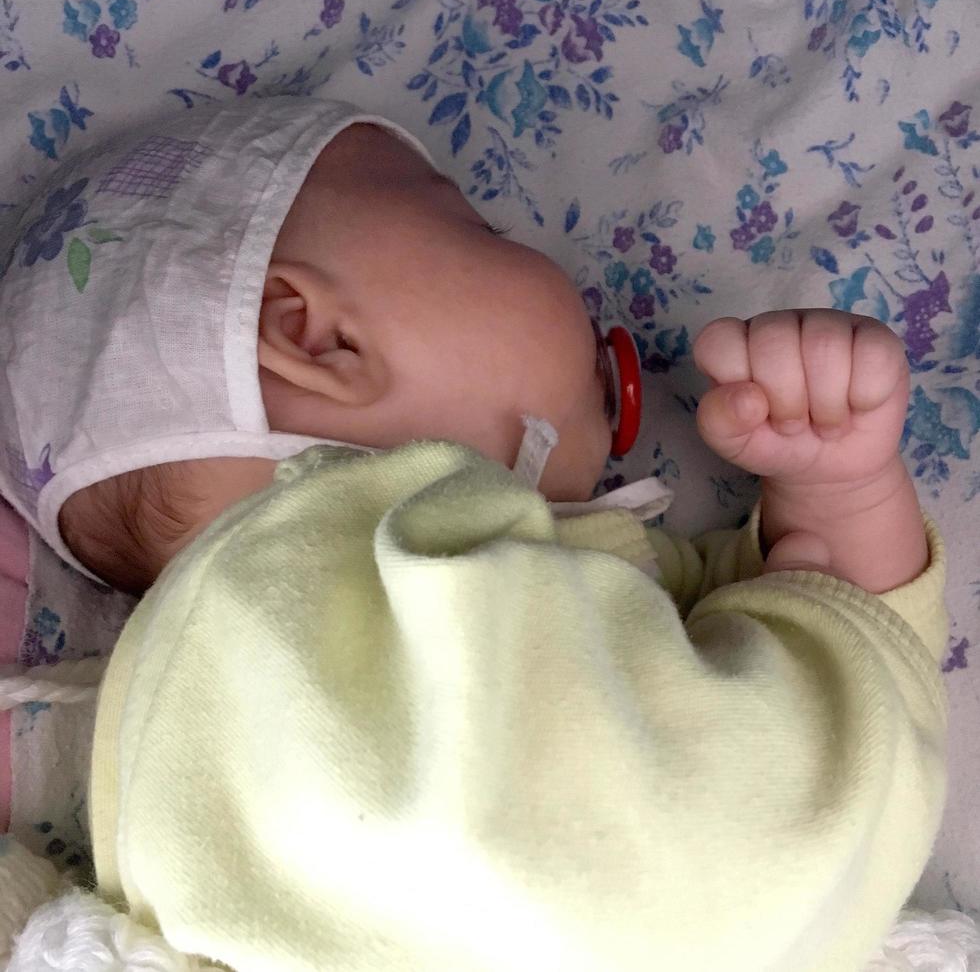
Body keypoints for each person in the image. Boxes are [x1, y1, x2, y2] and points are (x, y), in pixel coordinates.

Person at [0, 97, 946, 970]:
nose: (547, 256)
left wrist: (834, 484)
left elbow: (812, 625)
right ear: (316, 337)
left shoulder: (591, 573)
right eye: (480, 227)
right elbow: (842, 641)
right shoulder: (208, 659)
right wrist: (842, 491)